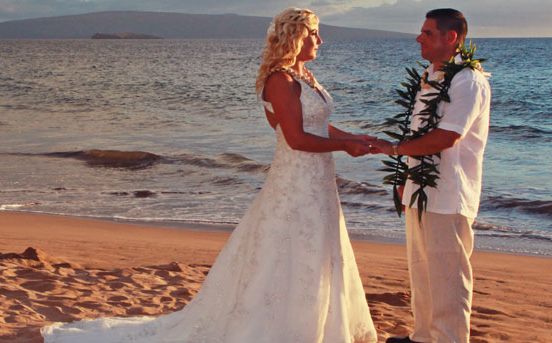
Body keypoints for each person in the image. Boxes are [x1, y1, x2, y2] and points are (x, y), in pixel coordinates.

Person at [41, 8, 378, 343]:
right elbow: (296, 138)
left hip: (318, 180)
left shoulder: (303, 77)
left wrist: (353, 136)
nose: (320, 39)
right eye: (312, 34)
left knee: (314, 246)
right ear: (294, 38)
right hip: (297, 180)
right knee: (290, 245)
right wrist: (345, 145)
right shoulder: (280, 80)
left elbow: (316, 125)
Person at [370, 8, 491, 343]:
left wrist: (392, 150)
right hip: (420, 188)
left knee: (449, 277)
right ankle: (423, 336)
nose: (418, 38)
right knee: (422, 271)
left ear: (450, 38)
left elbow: (446, 137)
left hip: (450, 191)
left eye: (427, 33)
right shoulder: (431, 76)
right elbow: (419, 130)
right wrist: (404, 179)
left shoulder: (467, 80)